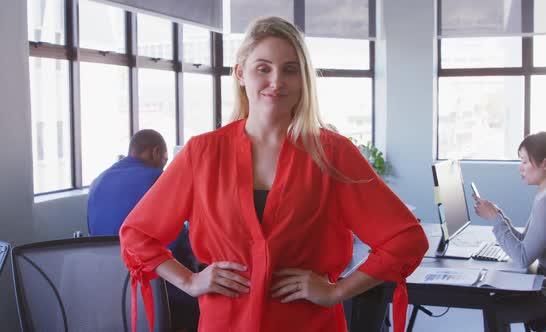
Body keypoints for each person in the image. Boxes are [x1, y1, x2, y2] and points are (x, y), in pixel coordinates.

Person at [119, 16, 428, 332]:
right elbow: (138, 235)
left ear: (303, 79)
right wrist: (189, 280)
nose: (276, 81)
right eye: (263, 68)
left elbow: (406, 239)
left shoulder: (332, 154)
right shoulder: (203, 153)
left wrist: (338, 290)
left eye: (290, 70)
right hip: (225, 323)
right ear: (241, 73)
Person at [473, 131, 546, 331]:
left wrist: (494, 220)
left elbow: (523, 256)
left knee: (494, 308)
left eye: (525, 162)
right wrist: (499, 217)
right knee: (501, 299)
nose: (521, 169)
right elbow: (526, 241)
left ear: (545, 164)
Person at [87, 129, 198, 331]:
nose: (164, 166)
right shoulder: (158, 180)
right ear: (155, 153)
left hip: (109, 292)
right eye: (164, 160)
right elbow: (181, 240)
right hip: (157, 290)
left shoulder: (97, 181)